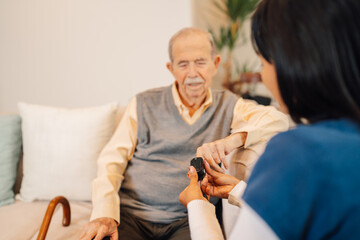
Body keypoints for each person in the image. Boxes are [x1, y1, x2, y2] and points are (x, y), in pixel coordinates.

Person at [78, 27, 289, 240]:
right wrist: (105, 214)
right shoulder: (143, 103)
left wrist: (232, 141)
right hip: (132, 216)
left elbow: (278, 120)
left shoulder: (229, 105)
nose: (192, 73)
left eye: (200, 62)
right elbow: (111, 162)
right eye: (183, 64)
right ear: (171, 68)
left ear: (215, 64)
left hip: (188, 219)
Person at [179, 0, 360, 239]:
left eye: (263, 63)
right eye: (184, 64)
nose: (263, 76)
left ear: (293, 64)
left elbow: (276, 120)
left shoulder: (297, 152)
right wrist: (238, 190)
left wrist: (197, 205)